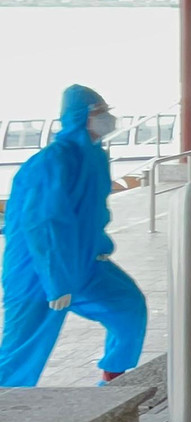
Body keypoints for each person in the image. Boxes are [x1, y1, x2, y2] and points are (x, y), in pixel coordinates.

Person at [0, 85, 148, 387]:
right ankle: (7, 403)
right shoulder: (51, 162)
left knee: (127, 307)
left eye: (107, 110)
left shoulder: (95, 157)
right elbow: (44, 226)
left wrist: (98, 248)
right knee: (22, 349)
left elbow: (92, 214)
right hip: (37, 272)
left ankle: (114, 380)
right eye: (99, 112)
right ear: (80, 116)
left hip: (86, 264)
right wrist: (56, 282)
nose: (107, 118)